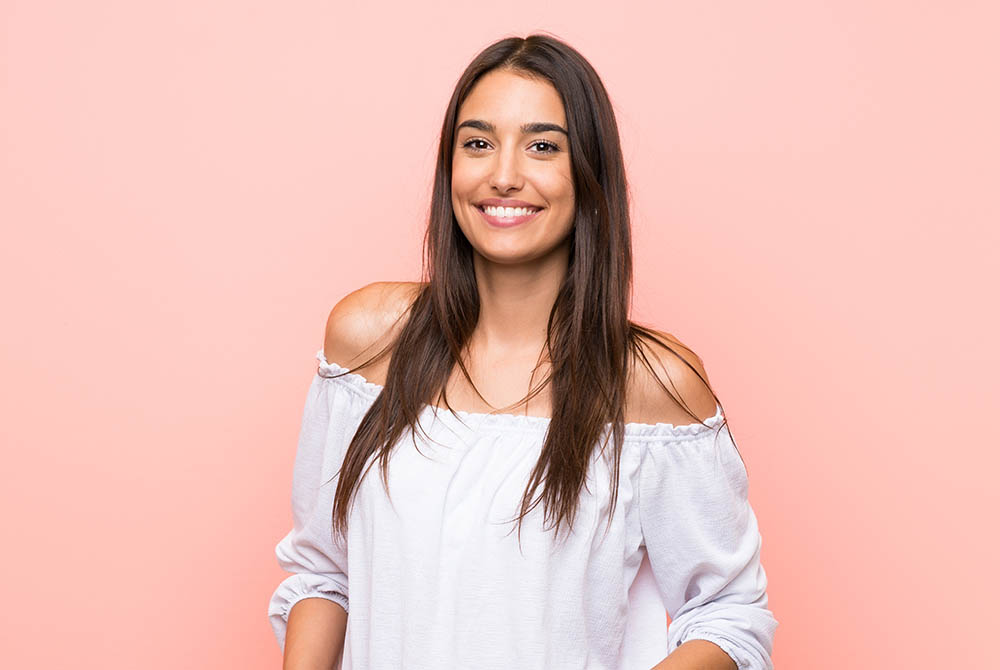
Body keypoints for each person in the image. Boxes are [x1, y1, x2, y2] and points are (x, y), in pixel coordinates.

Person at [267, 34, 778, 670]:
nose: (504, 175)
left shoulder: (650, 384)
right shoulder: (369, 340)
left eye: (542, 146)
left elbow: (729, 616)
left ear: (589, 174)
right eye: (477, 143)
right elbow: (324, 573)